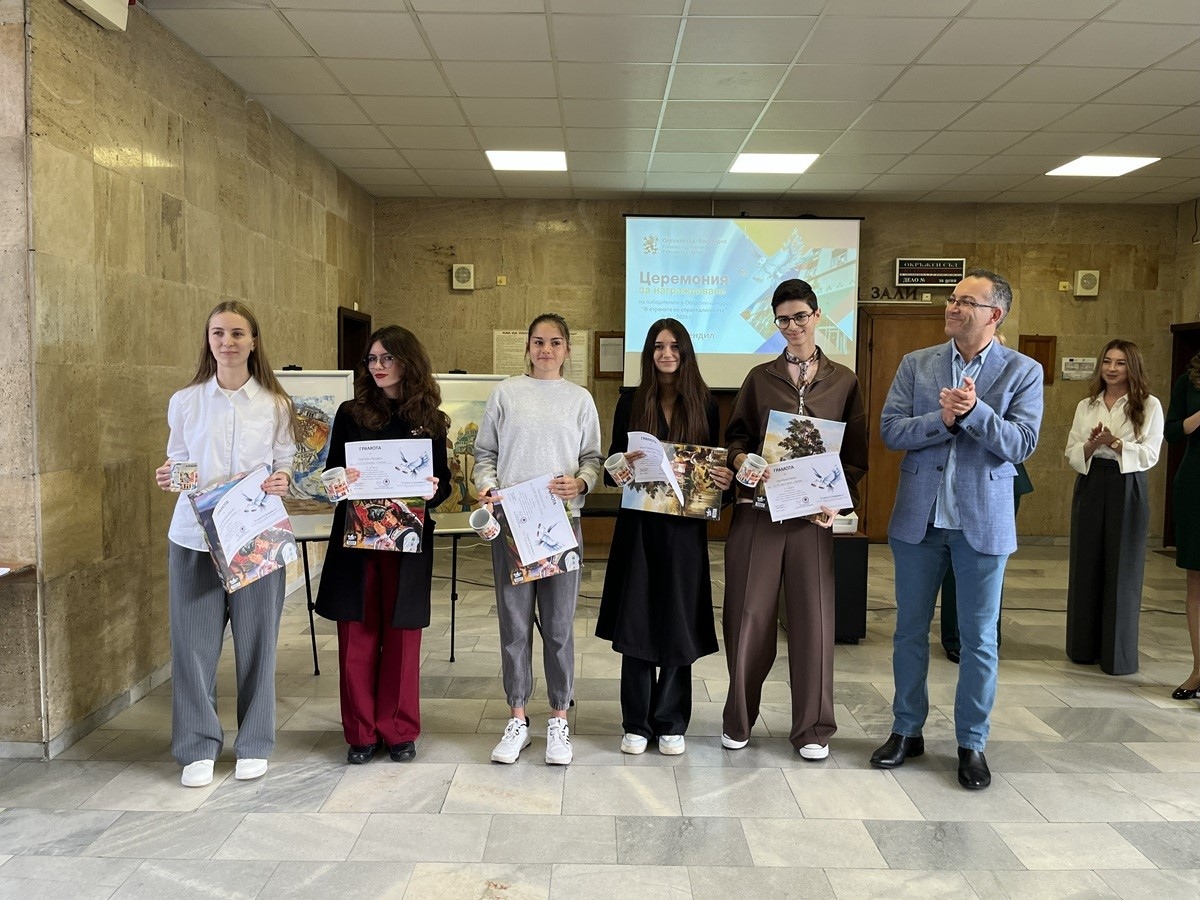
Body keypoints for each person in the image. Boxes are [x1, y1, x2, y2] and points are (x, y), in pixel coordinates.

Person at [871, 269, 1042, 791]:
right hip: (919, 521)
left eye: (966, 301)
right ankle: (907, 731)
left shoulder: (1023, 371)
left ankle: (972, 743)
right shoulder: (916, 363)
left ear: (995, 314)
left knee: (979, 640)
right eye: (952, 299)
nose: (953, 307)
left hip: (982, 524)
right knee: (908, 632)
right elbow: (891, 430)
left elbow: (1021, 444)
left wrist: (974, 413)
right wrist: (941, 421)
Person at [154, 301, 299, 788]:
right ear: (208, 339)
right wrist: (169, 475)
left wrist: (282, 478)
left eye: (237, 333)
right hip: (193, 537)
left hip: (256, 537)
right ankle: (197, 746)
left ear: (253, 341)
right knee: (192, 646)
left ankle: (254, 743)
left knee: (258, 644)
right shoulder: (185, 401)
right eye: (218, 333)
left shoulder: (276, 404)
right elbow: (177, 460)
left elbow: (285, 460)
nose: (227, 342)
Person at [722, 279, 868, 760]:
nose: (792, 326)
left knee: (814, 622)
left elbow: (856, 456)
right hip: (759, 514)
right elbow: (736, 439)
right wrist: (741, 460)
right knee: (747, 617)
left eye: (800, 316)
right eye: (783, 319)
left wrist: (838, 503)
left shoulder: (844, 381)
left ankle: (812, 729)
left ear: (817, 316)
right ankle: (738, 718)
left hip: (811, 520)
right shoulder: (759, 378)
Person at [595, 319, 733, 756]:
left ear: (686, 352)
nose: (666, 353)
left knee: (678, 619)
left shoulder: (705, 403)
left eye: (674, 346)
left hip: (684, 530)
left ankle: (671, 721)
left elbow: (713, 468)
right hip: (638, 526)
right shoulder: (630, 401)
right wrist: (620, 465)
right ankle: (636, 722)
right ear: (649, 353)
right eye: (658, 346)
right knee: (636, 618)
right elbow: (612, 469)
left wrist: (722, 482)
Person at [315, 326, 451, 765]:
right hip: (357, 541)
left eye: (387, 358)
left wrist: (433, 489)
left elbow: (444, 486)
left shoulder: (430, 419)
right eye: (372, 359)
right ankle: (360, 733)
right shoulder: (351, 413)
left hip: (407, 541)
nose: (378, 366)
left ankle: (399, 730)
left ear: (408, 362)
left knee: (402, 637)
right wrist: (340, 480)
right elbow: (331, 478)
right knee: (357, 635)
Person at [474, 314, 602, 765]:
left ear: (567, 349)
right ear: (527, 347)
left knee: (559, 627)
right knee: (514, 625)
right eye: (538, 342)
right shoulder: (506, 393)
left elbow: (592, 458)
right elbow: (484, 454)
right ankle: (517, 718)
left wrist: (581, 483)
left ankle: (559, 719)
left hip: (561, 525)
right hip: (513, 524)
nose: (546, 350)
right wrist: (487, 485)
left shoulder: (580, 399)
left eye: (555, 342)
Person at [1064, 340, 1164, 676]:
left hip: (1127, 483)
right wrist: (1093, 444)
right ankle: (1082, 648)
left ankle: (1116, 658)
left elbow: (1150, 454)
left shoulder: (1148, 405)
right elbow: (1072, 450)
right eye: (1107, 361)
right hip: (1092, 480)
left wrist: (1116, 443)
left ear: (1132, 367)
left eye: (1120, 363)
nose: (1111, 368)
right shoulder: (1087, 404)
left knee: (1123, 568)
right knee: (1085, 562)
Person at [938, 462, 1032, 663]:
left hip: (999, 478)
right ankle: (957, 639)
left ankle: (985, 640)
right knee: (955, 559)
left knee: (990, 566)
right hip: (956, 478)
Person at [1165, 350, 1200, 700]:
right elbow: (1172, 431)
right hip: (1195, 484)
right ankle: (1198, 670)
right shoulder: (1189, 379)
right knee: (1196, 578)